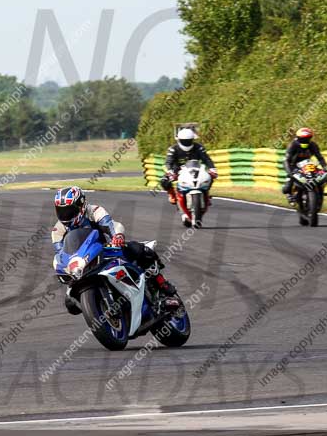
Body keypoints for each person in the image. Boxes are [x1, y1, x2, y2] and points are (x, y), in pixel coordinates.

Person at [52, 186, 180, 314]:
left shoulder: (94, 211)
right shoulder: (58, 230)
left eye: (69, 211)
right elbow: (61, 254)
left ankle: (162, 284)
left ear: (81, 205)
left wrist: (117, 236)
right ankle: (99, 309)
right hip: (82, 264)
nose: (65, 215)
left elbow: (111, 225)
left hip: (105, 250)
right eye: (61, 211)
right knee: (70, 303)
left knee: (139, 250)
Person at [160, 127, 218, 216]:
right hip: (177, 170)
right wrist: (170, 171)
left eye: (189, 140)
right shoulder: (173, 149)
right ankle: (172, 195)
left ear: (192, 140)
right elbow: (168, 162)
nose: (186, 143)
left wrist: (212, 169)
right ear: (179, 140)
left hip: (196, 169)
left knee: (209, 177)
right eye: (184, 141)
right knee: (164, 180)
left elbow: (206, 159)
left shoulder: (199, 147)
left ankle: (206, 194)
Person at [282, 127, 327, 204]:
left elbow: (320, 157)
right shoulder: (292, 145)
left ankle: (320, 191)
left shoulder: (313, 145)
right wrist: (290, 173)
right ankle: (290, 195)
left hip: (308, 165)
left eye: (307, 139)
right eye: (303, 139)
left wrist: (325, 168)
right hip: (294, 166)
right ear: (298, 138)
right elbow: (286, 160)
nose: (305, 141)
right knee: (286, 188)